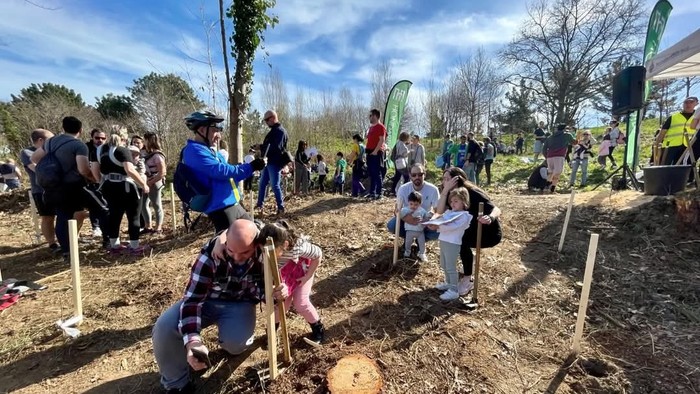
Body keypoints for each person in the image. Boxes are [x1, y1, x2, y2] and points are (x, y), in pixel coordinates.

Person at [152, 219, 278, 393]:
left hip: (240, 304)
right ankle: (177, 384)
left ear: (256, 244)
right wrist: (192, 341)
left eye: (245, 252)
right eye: (232, 251)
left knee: (236, 345)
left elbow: (263, 290)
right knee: (165, 326)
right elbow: (193, 300)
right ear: (225, 241)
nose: (236, 258)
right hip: (206, 302)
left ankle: (230, 342)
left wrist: (274, 294)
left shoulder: (264, 253)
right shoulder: (210, 256)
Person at [31, 116, 101, 259]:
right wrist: (94, 178)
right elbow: (83, 169)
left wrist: (51, 169)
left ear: (63, 128)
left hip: (52, 187)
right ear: (80, 130)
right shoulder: (78, 145)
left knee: (63, 217)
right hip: (72, 187)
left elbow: (35, 158)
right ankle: (71, 250)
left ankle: (66, 249)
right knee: (96, 208)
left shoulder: (50, 141)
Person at [182, 111, 265, 231]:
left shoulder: (210, 151)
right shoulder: (193, 151)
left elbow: (231, 174)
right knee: (237, 247)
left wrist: (251, 167)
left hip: (233, 204)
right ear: (202, 129)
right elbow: (221, 171)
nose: (219, 135)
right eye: (215, 130)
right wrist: (250, 167)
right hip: (221, 209)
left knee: (255, 235)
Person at [436, 167, 502, 296]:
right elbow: (439, 211)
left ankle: (467, 278)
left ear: (457, 180)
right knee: (457, 239)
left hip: (487, 232)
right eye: (444, 179)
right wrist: (445, 191)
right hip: (467, 228)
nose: (445, 182)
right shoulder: (449, 193)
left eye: (448, 179)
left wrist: (490, 217)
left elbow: (496, 209)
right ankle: (456, 276)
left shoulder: (472, 192)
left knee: (461, 240)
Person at [258, 221, 325, 344]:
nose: (266, 254)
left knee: (301, 303)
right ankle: (272, 331)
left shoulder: (297, 248)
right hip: (283, 277)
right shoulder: (264, 251)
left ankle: (318, 328)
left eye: (271, 252)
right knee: (280, 305)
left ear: (285, 245)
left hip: (301, 273)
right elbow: (265, 271)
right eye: (263, 250)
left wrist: (308, 275)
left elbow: (318, 254)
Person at [99, 129, 150, 255]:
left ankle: (114, 246)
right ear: (124, 138)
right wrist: (143, 184)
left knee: (114, 216)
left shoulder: (102, 151)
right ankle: (134, 246)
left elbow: (95, 169)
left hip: (109, 185)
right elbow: (130, 170)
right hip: (126, 186)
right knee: (134, 216)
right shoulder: (122, 150)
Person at [426, 187, 473, 301]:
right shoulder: (449, 212)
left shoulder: (464, 216)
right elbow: (441, 219)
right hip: (444, 240)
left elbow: (453, 226)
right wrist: (433, 222)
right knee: (444, 263)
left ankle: (454, 290)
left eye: (456, 201)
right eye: (451, 201)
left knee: (451, 266)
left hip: (453, 243)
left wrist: (439, 226)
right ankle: (448, 283)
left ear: (464, 201)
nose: (453, 203)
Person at [20, 129, 58, 251]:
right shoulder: (26, 152)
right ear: (41, 140)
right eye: (50, 139)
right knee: (48, 217)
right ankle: (52, 244)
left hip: (57, 189)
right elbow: (37, 169)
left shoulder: (53, 150)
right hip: (41, 190)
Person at [386, 164, 441, 243]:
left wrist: (430, 219)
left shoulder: (433, 189)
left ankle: (421, 241)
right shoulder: (403, 189)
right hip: (406, 219)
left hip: (423, 220)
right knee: (391, 225)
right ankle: (408, 238)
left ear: (424, 174)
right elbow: (396, 210)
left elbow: (437, 210)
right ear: (410, 175)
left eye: (420, 174)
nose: (417, 177)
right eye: (414, 175)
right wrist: (407, 218)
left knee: (439, 230)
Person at [257, 110, 289, 215]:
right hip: (268, 161)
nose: (266, 123)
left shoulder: (280, 131)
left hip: (274, 162)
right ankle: (259, 205)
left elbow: (276, 148)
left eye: (266, 120)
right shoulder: (273, 131)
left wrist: (261, 147)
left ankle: (281, 207)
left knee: (275, 185)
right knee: (262, 183)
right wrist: (261, 147)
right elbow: (271, 146)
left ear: (272, 118)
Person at [656, 96, 698, 166]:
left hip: (687, 147)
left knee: (681, 168)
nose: (688, 104)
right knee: (665, 166)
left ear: (696, 104)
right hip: (670, 147)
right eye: (686, 102)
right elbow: (662, 133)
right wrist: (657, 148)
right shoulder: (673, 117)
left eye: (691, 102)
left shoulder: (696, 118)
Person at [141, 132, 166, 234]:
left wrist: (151, 182)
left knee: (156, 205)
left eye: (145, 140)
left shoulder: (157, 155)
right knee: (143, 204)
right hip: (144, 181)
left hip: (155, 182)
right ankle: (148, 226)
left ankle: (158, 228)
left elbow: (162, 172)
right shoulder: (144, 153)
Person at [87, 128, 108, 238]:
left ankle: (106, 231)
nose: (100, 140)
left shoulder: (107, 148)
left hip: (105, 180)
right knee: (94, 205)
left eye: (103, 138)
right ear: (92, 137)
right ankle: (95, 227)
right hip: (90, 180)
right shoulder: (86, 148)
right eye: (97, 138)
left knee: (105, 205)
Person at [542, 124, 575, 193]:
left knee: (550, 172)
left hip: (549, 156)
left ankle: (546, 187)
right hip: (559, 156)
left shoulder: (550, 137)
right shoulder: (567, 135)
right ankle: (552, 189)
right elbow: (574, 142)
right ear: (564, 129)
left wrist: (546, 156)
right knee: (557, 173)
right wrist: (578, 138)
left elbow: (544, 149)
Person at [400, 191, 432, 261]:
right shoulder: (406, 209)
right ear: (408, 202)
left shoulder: (422, 210)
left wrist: (429, 215)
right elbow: (400, 214)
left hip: (420, 231)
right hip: (409, 230)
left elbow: (426, 216)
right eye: (411, 204)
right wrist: (399, 211)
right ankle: (407, 252)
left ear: (420, 204)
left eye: (416, 204)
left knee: (422, 243)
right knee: (408, 242)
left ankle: (422, 253)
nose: (413, 206)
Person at [366, 108, 387, 200]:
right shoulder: (371, 128)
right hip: (369, 152)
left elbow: (382, 140)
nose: (369, 117)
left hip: (376, 152)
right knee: (371, 173)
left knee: (377, 172)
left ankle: (379, 193)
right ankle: (372, 193)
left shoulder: (380, 127)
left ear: (375, 116)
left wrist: (375, 151)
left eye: (371, 115)